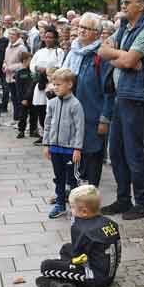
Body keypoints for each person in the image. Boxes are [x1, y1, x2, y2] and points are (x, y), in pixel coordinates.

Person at [99, 0, 144, 220]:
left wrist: (122, 58)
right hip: (120, 94)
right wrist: (122, 58)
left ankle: (143, 203)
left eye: (127, 2)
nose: (122, 6)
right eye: (122, 2)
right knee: (115, 151)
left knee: (134, 152)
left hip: (135, 96)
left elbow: (128, 61)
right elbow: (103, 50)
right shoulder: (124, 27)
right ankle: (124, 199)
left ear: (141, 6)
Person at [36, 184, 121, 287]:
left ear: (84, 211)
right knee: (66, 248)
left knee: (46, 266)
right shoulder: (110, 223)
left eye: (72, 207)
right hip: (109, 275)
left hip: (95, 278)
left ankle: (66, 281)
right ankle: (67, 274)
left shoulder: (80, 228)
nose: (71, 211)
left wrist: (70, 263)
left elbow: (77, 256)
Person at [61, 12, 111, 190]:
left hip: (92, 115)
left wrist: (104, 118)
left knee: (92, 154)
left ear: (97, 33)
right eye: (81, 27)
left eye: (87, 28)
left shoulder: (101, 56)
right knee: (69, 153)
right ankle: (69, 189)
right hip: (70, 113)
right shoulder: (72, 51)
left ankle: (91, 192)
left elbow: (108, 90)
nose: (82, 31)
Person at [42, 68, 85, 219]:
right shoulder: (52, 103)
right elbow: (47, 125)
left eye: (58, 84)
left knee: (72, 179)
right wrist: (46, 144)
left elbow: (80, 128)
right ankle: (60, 204)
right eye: (54, 84)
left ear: (69, 85)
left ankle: (76, 207)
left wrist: (77, 149)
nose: (55, 87)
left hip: (70, 150)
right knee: (58, 177)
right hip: (55, 148)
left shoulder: (75, 105)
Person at [29, 27, 65, 141]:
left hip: (52, 84)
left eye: (51, 37)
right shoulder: (40, 52)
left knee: (51, 109)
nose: (48, 39)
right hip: (40, 83)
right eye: (46, 37)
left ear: (55, 39)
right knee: (40, 108)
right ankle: (44, 132)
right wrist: (36, 68)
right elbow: (32, 64)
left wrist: (48, 70)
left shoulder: (59, 52)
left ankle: (53, 134)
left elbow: (60, 66)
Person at [3, 28, 29, 127]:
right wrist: (4, 65)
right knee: (13, 98)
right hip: (9, 76)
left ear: (18, 36)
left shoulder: (22, 48)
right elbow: (6, 60)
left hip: (18, 77)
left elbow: (25, 63)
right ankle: (15, 118)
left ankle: (20, 120)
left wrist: (11, 68)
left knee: (19, 99)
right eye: (9, 34)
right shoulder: (8, 47)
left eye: (13, 34)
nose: (10, 36)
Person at [15, 51, 35, 139]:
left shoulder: (32, 72)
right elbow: (18, 88)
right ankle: (21, 130)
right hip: (23, 99)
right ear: (24, 61)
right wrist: (22, 99)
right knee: (23, 115)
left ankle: (33, 130)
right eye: (30, 60)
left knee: (34, 115)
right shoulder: (20, 73)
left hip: (33, 98)